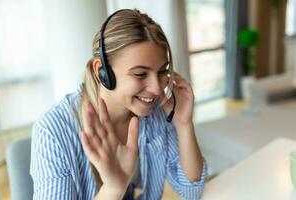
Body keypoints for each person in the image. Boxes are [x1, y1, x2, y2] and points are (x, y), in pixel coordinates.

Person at [30, 9, 207, 200]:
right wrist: (113, 189)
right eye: (140, 74)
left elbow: (192, 190)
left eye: (162, 71)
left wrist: (184, 124)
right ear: (103, 71)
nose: (157, 89)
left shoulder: (155, 111)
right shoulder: (52, 131)